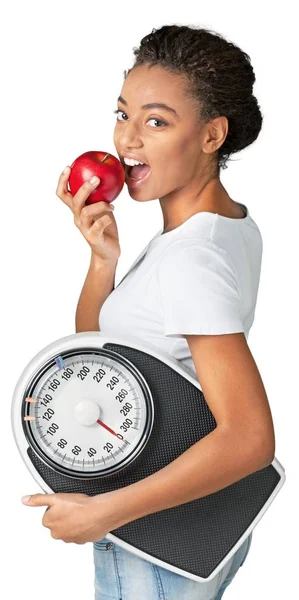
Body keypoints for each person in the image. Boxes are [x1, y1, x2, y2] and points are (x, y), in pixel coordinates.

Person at [56, 23, 275, 600]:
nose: (127, 141)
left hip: (154, 540)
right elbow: (102, 361)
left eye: (156, 121)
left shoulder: (191, 258)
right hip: (189, 525)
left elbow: (250, 438)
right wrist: (104, 260)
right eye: (123, 114)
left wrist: (103, 512)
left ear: (212, 135)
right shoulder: (224, 227)